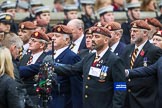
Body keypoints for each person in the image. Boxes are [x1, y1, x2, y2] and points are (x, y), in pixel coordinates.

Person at [52, 25, 126, 108]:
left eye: (97, 37)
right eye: (92, 36)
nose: (93, 39)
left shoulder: (114, 60)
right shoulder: (89, 57)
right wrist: (52, 67)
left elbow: (120, 88)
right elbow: (72, 69)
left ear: (106, 40)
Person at [121, 20, 162, 108]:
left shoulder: (154, 51)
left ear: (145, 33)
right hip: (126, 99)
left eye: (135, 31)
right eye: (131, 31)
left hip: (144, 99)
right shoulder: (127, 49)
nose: (132, 34)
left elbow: (153, 72)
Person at [48, 24, 83, 108]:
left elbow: (76, 86)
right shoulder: (48, 55)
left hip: (64, 101)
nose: (53, 38)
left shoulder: (72, 57)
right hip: (49, 99)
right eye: (53, 35)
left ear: (67, 40)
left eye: (57, 36)